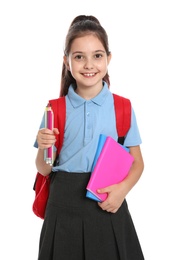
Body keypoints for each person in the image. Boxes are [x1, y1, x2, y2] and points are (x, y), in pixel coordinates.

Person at [34, 15, 145, 260]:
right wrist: (44, 148)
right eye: (78, 57)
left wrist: (122, 191)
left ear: (108, 58)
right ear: (67, 62)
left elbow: (138, 162)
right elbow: (43, 168)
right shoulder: (54, 109)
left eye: (97, 55)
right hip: (63, 205)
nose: (88, 65)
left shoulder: (122, 107)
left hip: (107, 201)